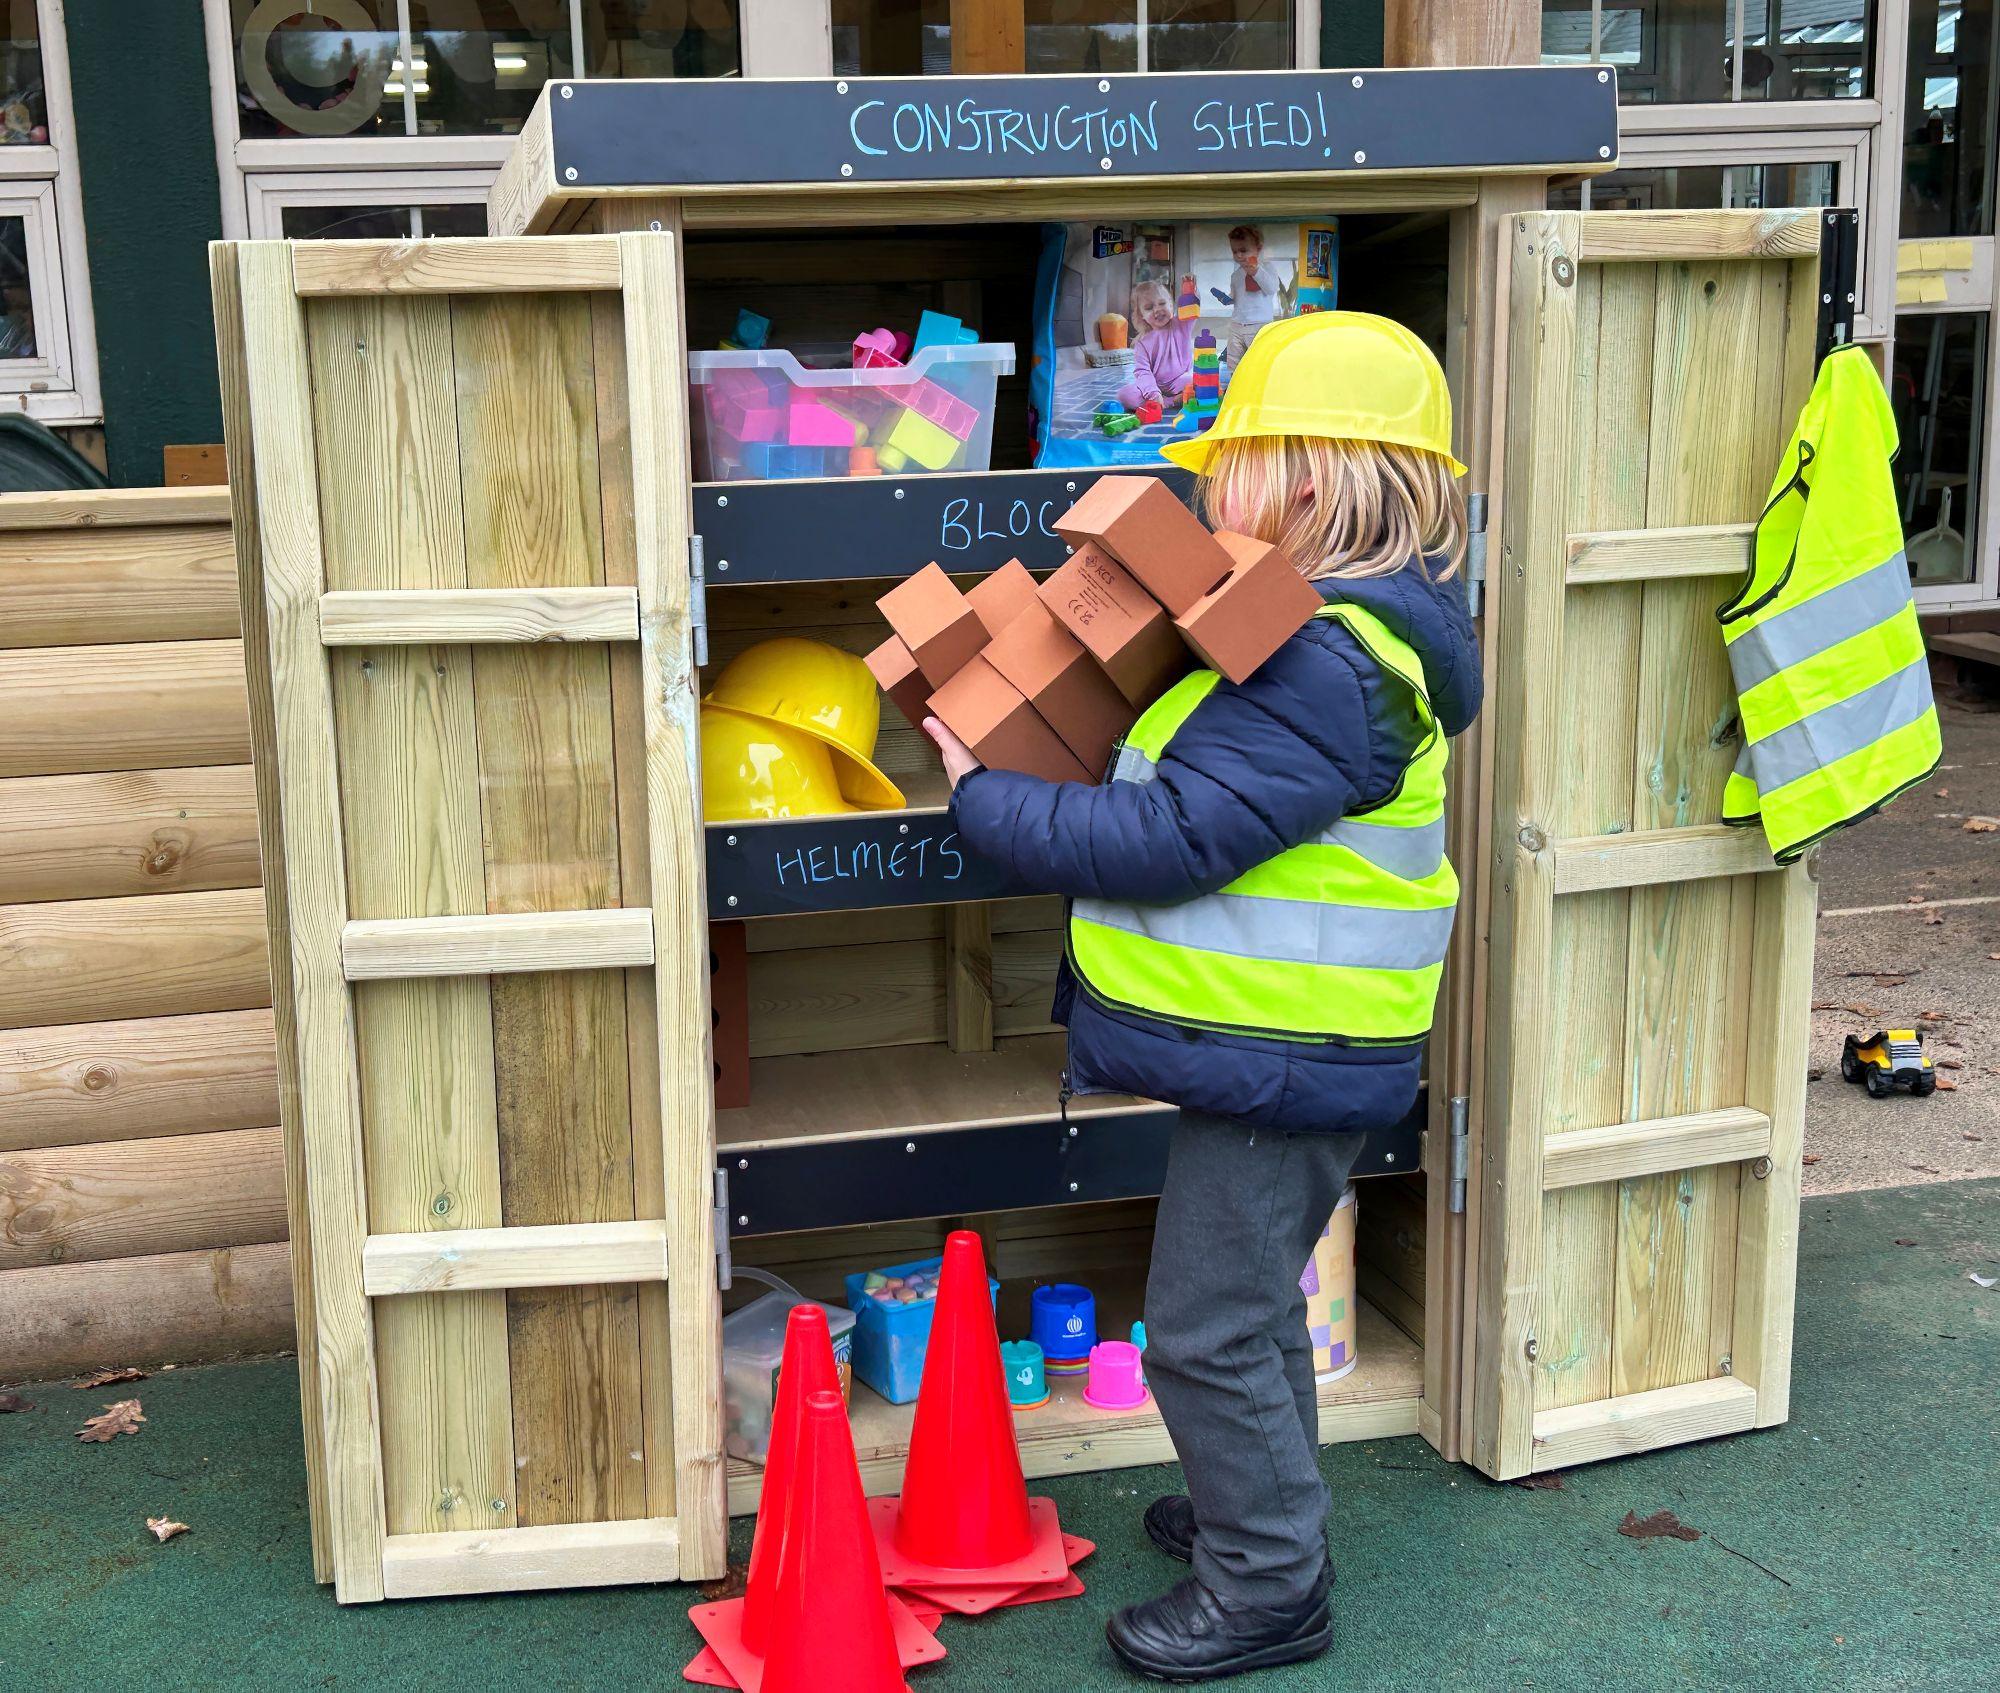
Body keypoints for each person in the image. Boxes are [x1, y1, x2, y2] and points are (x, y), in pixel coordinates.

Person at [924, 312, 1479, 1683]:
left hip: (1288, 1056)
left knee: (1204, 1328)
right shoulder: (1332, 642)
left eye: (1230, 463)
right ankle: (1266, 1513)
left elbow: (1175, 841)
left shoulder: (1323, 661)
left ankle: (1270, 1584)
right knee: (1246, 1308)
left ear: (1307, 479)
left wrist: (981, 796)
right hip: (1291, 1051)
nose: (1205, 486)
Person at [1117, 274, 1201, 417]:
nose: (1157, 310)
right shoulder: (1142, 344)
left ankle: (1168, 400)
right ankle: (1170, 401)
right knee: (1124, 395)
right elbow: (1143, 372)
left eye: (1162, 303)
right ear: (1141, 315)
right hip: (1155, 385)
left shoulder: (1181, 324)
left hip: (1181, 380)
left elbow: (1191, 310)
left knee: (1199, 380)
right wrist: (1153, 393)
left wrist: (1190, 291)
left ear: (1170, 303)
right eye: (1149, 307)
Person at [1215, 224, 1284, 368]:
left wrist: (1256, 272)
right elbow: (1236, 297)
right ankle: (1234, 383)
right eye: (1235, 251)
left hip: (1259, 324)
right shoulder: (1236, 275)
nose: (1239, 255)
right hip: (1237, 324)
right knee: (1233, 360)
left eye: (1243, 250)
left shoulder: (1267, 267)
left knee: (1257, 359)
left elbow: (1271, 288)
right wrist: (1225, 298)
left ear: (1258, 248)